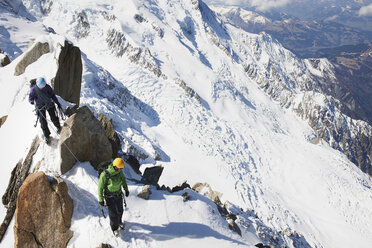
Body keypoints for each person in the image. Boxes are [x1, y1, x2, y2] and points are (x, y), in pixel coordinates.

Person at [98, 158, 129, 236]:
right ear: (115, 166)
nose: (120, 169)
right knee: (113, 214)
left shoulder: (119, 172)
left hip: (118, 194)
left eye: (121, 168)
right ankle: (114, 228)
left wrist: (126, 189)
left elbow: (123, 180)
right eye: (120, 168)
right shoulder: (105, 174)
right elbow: (100, 188)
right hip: (109, 197)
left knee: (120, 210)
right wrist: (101, 199)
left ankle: (119, 221)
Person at [29, 77, 62, 144]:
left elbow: (52, 95)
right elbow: (30, 98)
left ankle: (59, 127)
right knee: (43, 122)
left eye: (43, 87)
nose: (42, 88)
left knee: (53, 117)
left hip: (49, 103)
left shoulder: (47, 87)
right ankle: (47, 136)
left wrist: (57, 102)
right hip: (40, 106)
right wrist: (31, 101)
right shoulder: (33, 89)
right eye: (41, 87)